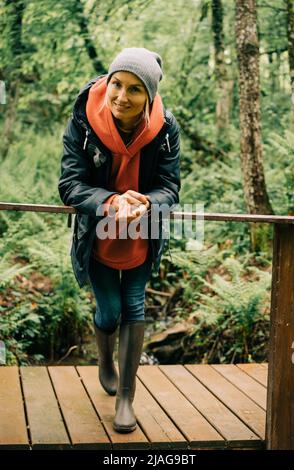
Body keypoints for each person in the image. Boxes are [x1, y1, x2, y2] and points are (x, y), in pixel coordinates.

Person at [58, 47, 181, 433]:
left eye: (134, 89)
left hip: (141, 232)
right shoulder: (83, 119)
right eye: (116, 84)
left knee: (134, 307)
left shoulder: (165, 129)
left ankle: (126, 398)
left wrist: (148, 202)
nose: (121, 97)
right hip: (98, 232)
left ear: (150, 95)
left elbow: (170, 188)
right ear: (107, 82)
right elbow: (69, 184)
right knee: (109, 312)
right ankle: (105, 361)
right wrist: (110, 201)